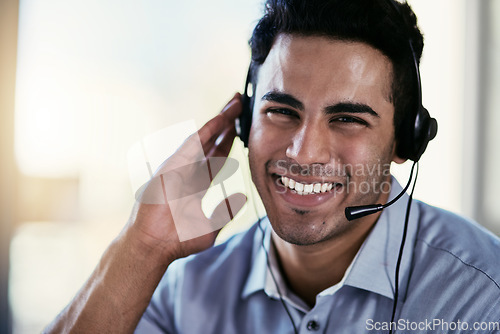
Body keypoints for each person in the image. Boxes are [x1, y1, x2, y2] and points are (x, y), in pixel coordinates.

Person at [46, 0, 500, 333]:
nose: (304, 154)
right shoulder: (189, 290)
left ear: (406, 140)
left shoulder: (482, 296)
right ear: (242, 121)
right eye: (282, 111)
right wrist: (142, 247)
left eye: (347, 119)